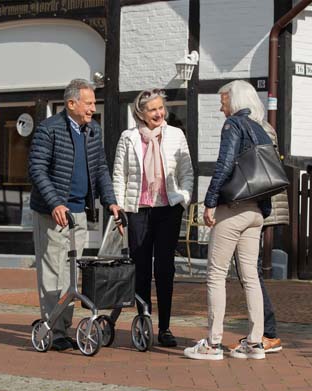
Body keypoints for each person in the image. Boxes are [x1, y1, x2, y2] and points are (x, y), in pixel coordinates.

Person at [28, 78, 120, 351]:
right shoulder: (49, 130)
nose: (93, 108)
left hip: (78, 213)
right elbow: (37, 170)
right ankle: (53, 329)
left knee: (70, 274)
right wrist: (56, 203)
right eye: (88, 103)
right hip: (52, 213)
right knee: (53, 271)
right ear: (71, 103)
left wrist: (111, 202)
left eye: (93, 103)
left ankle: (61, 328)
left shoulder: (92, 131)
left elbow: (101, 168)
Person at [184, 80, 272, 360]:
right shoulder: (261, 129)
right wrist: (263, 209)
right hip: (255, 211)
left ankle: (213, 344)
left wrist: (210, 202)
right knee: (250, 277)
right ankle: (256, 343)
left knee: (216, 274)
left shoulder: (233, 125)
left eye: (223, 101)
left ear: (234, 100)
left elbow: (224, 164)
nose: (221, 107)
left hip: (233, 208)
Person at [112, 88, 193, 347]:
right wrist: (120, 211)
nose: (158, 113)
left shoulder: (176, 135)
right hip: (138, 211)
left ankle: (165, 328)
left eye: (161, 108)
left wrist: (183, 199)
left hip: (168, 209)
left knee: (165, 269)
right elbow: (119, 176)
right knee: (142, 269)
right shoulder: (129, 137)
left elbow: (187, 172)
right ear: (141, 113)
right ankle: (143, 323)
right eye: (152, 109)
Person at [229, 121, 289, 354]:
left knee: (249, 272)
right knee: (250, 271)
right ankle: (265, 332)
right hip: (261, 204)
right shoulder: (262, 127)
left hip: (256, 204)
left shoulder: (252, 128)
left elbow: (251, 166)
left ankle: (267, 333)